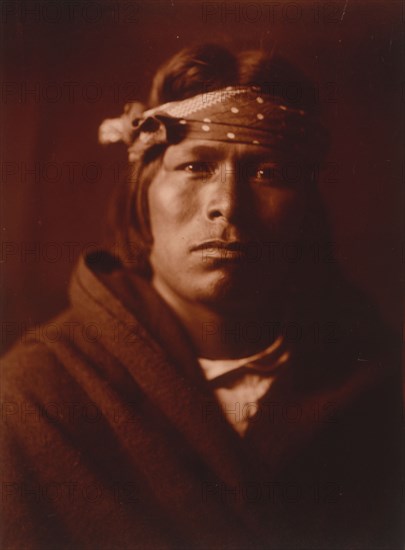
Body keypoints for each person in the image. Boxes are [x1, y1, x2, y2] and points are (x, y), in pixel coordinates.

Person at [1, 44, 402, 550]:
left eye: (267, 172)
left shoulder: (381, 388)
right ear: (143, 192)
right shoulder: (36, 397)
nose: (227, 206)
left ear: (308, 210)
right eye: (195, 167)